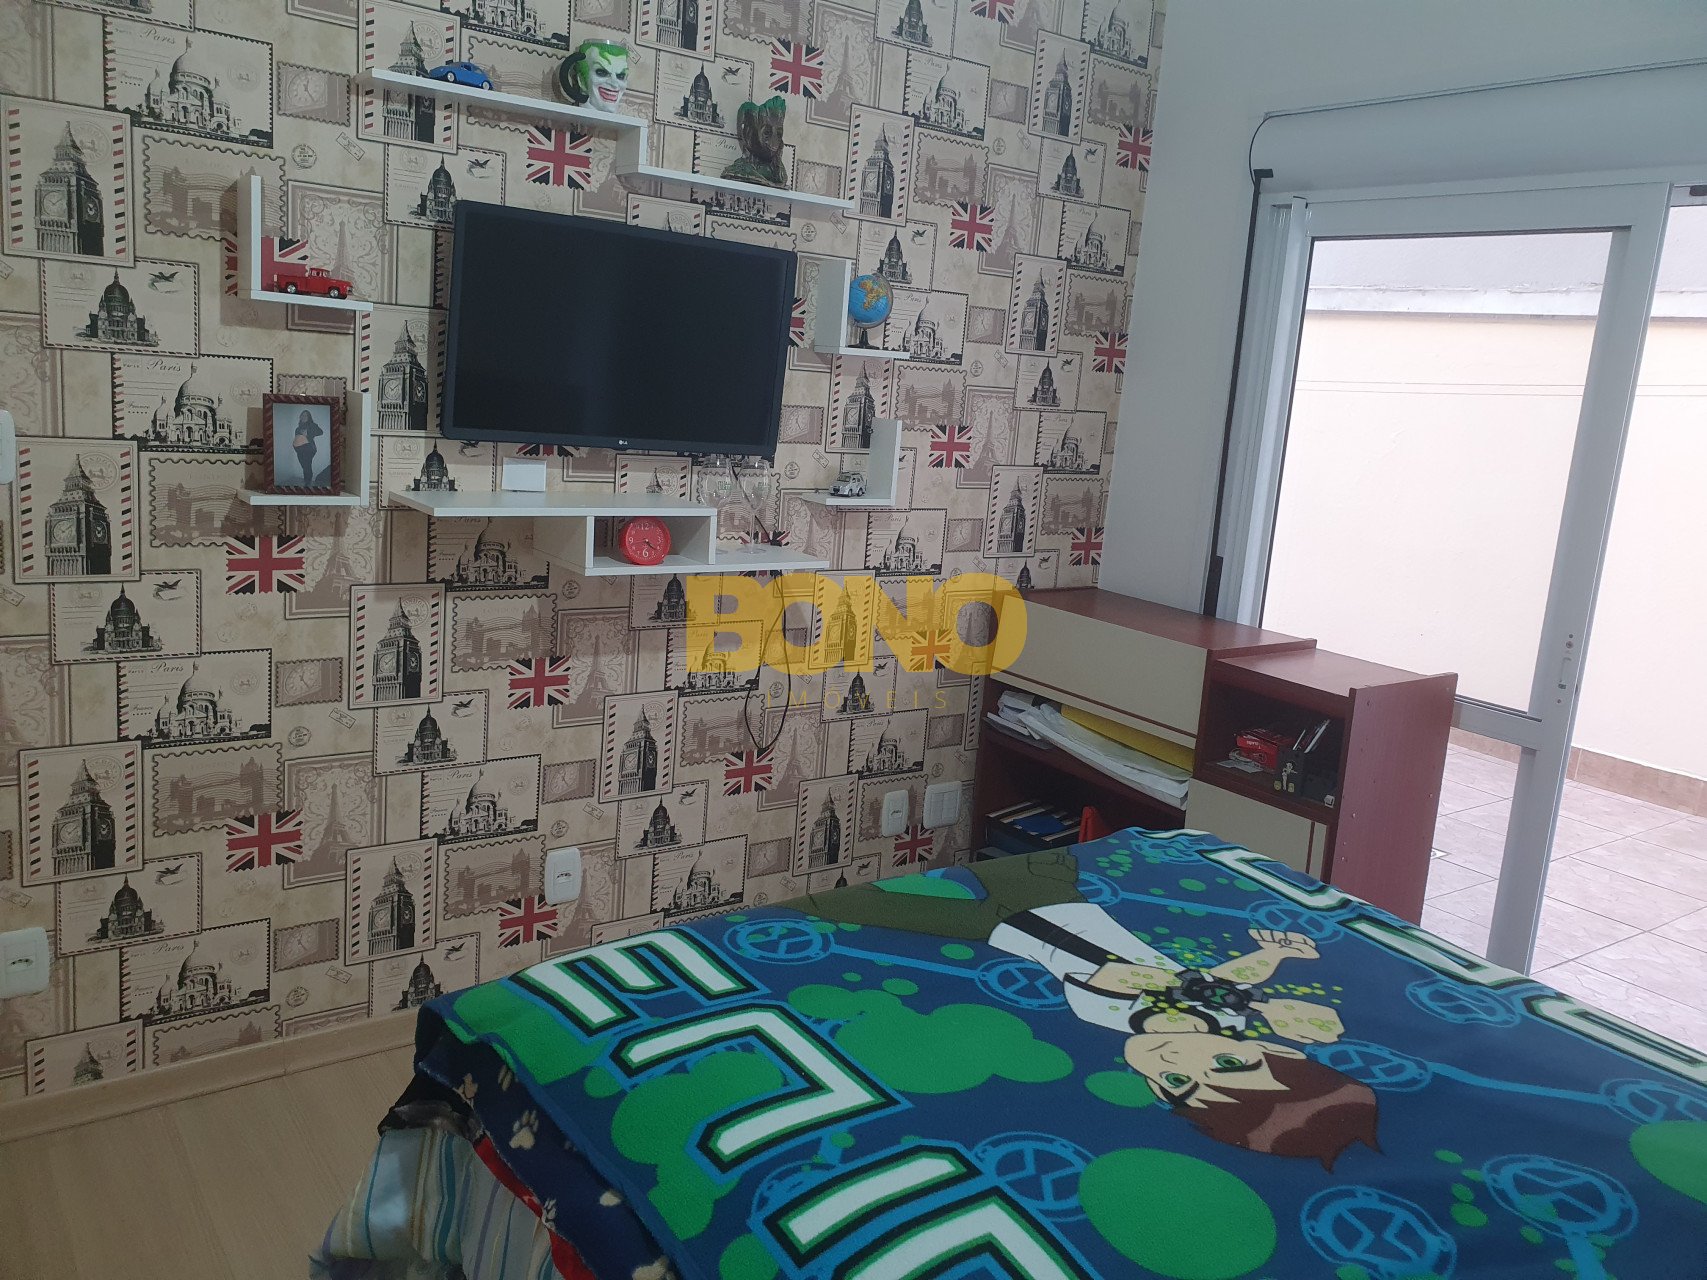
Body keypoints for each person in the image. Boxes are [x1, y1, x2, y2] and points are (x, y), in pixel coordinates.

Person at [796, 848, 1380, 1169]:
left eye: (1177, 1084)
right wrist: (1274, 958)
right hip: (1058, 899)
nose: (1173, 1061)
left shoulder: (1113, 1016)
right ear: (1269, 1048)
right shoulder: (1223, 1017)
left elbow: (1112, 977)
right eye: (1226, 1065)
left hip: (1000, 929)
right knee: (1035, 863)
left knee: (843, 910)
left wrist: (1206, 990)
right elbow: (1228, 979)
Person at [292, 409, 323, 486]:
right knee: (304, 466)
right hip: (299, 450)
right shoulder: (298, 428)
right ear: (300, 417)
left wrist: (308, 433)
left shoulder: (312, 425)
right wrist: (295, 446)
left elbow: (320, 432)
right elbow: (297, 438)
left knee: (307, 465)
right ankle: (307, 481)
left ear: (309, 417)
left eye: (306, 415)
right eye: (302, 415)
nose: (303, 417)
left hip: (308, 448)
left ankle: (307, 482)